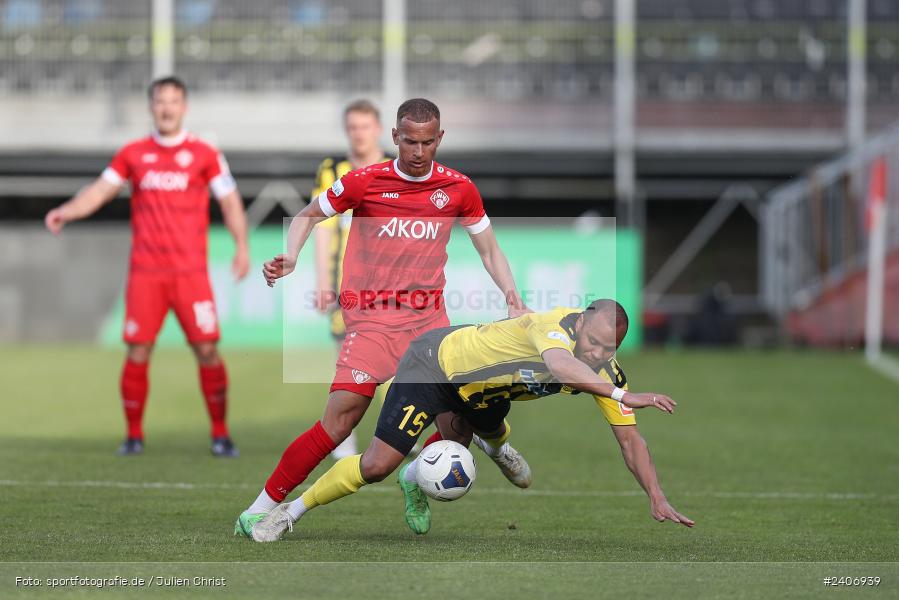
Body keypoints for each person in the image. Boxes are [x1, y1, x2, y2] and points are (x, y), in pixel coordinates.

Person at [235, 98, 531, 537]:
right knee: (340, 421)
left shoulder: (459, 188)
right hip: (372, 323)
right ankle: (259, 508)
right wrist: (293, 256)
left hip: (429, 326)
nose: (417, 151)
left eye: (427, 142)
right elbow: (308, 214)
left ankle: (417, 475)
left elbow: (488, 248)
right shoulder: (364, 182)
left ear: (439, 139)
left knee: (457, 428)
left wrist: (513, 298)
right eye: (409, 141)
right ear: (394, 137)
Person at [247, 299, 695, 542]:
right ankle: (289, 514)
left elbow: (629, 442)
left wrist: (656, 496)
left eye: (609, 350)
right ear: (579, 324)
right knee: (376, 465)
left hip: (487, 394)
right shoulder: (551, 328)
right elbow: (559, 367)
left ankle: (480, 452)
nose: (599, 355)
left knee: (487, 430)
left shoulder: (601, 370)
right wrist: (623, 393)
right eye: (595, 343)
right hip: (433, 367)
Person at [44, 76, 249, 457]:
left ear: (183, 107)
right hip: (146, 273)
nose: (166, 108)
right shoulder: (133, 153)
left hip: (190, 274)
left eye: (173, 101)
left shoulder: (205, 153)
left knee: (207, 349)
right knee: (138, 350)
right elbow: (100, 191)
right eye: (160, 101)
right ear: (151, 106)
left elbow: (231, 200)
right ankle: (133, 436)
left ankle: (220, 434)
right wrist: (66, 212)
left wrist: (241, 246)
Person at [309, 99, 389, 460]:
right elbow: (322, 225)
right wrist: (323, 280)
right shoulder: (331, 170)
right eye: (353, 127)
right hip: (348, 286)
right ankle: (343, 437)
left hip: (391, 286)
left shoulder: (395, 167)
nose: (359, 133)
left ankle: (397, 434)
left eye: (365, 126)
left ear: (378, 128)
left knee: (400, 365)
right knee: (348, 362)